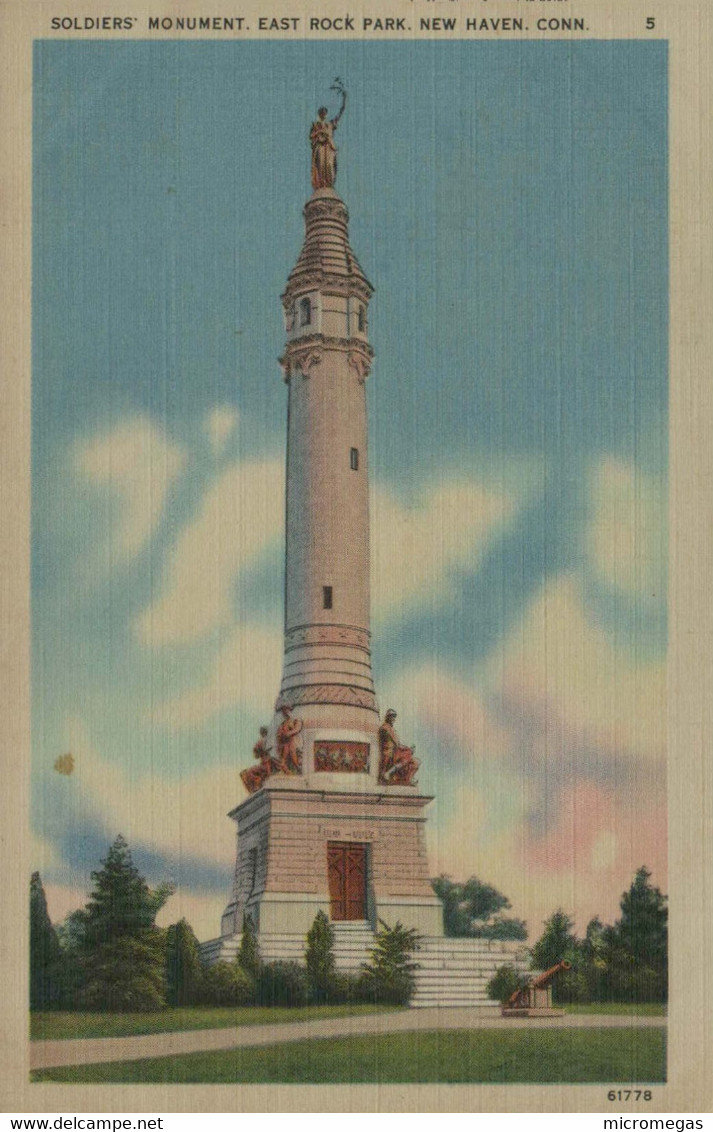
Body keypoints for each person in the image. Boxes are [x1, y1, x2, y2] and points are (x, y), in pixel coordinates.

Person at [309, 83, 346, 190]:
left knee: (329, 166)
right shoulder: (315, 125)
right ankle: (321, 185)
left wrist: (344, 98)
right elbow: (311, 136)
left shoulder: (330, 124)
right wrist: (319, 132)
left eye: (325, 112)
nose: (323, 114)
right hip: (320, 146)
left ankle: (329, 185)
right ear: (319, 114)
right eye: (322, 112)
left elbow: (341, 112)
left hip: (329, 146)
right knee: (320, 166)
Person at [378, 709, 419, 786]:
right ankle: (388, 773)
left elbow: (398, 744)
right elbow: (395, 744)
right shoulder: (385, 728)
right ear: (388, 717)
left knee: (416, 762)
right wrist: (408, 750)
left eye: (394, 717)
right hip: (391, 752)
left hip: (396, 752)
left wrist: (409, 749)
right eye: (392, 717)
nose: (393, 719)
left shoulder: (392, 730)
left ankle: (408, 778)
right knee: (406, 756)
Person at [240, 726, 274, 794]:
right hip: (273, 765)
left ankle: (256, 787)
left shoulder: (260, 742)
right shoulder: (273, 741)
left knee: (247, 773)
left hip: (265, 765)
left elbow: (256, 756)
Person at [276, 704, 303, 773]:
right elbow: (280, 731)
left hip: (294, 741)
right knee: (283, 753)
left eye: (286, 710)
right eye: (283, 711)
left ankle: (297, 768)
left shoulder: (296, 719)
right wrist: (280, 734)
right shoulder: (284, 722)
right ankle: (284, 769)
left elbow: (297, 728)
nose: (284, 712)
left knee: (292, 751)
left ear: (289, 710)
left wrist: (289, 733)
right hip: (285, 742)